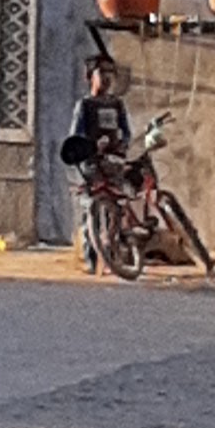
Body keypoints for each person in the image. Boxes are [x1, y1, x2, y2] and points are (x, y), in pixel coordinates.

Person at [68, 55, 132, 272]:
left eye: (109, 74)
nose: (105, 79)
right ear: (89, 77)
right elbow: (75, 137)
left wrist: (122, 145)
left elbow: (126, 132)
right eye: (100, 73)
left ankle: (116, 253)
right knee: (92, 211)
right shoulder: (84, 106)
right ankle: (91, 259)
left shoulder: (117, 104)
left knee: (117, 209)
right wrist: (92, 147)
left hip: (113, 162)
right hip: (91, 164)